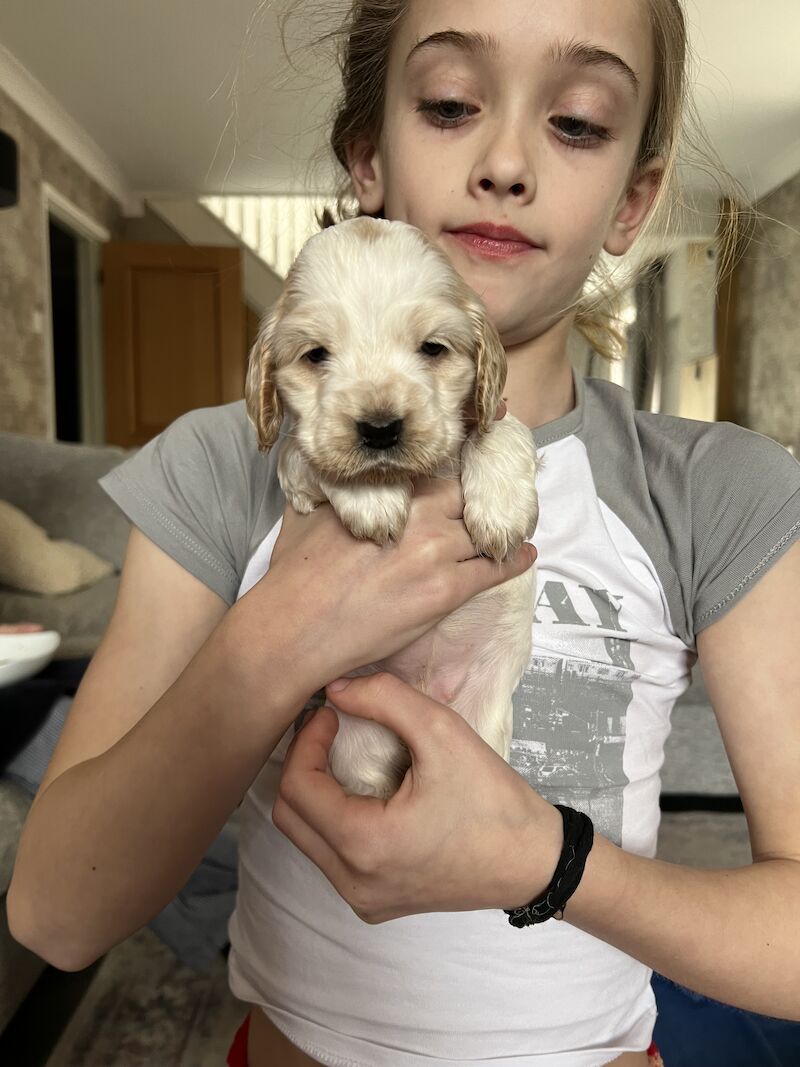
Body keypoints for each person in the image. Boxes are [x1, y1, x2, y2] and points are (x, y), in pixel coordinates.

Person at [7, 1, 800, 1065]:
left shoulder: (716, 487)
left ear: (634, 200)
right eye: (448, 103)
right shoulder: (217, 465)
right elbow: (54, 914)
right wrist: (276, 632)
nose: (505, 160)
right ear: (366, 157)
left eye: (575, 120)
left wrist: (549, 862)